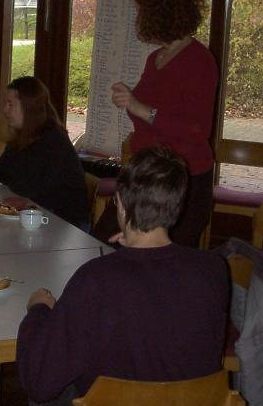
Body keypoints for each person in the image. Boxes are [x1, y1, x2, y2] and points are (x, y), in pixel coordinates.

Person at [17, 146, 229, 405]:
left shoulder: (96, 279)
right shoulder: (213, 269)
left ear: (121, 204)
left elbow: (39, 383)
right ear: (178, 204)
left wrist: (38, 311)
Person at [110, 0, 218, 247]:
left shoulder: (199, 61)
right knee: (106, 245)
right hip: (147, 176)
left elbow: (196, 129)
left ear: (161, 14)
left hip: (182, 182)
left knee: (158, 259)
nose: (139, 19)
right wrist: (129, 100)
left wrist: (140, 108)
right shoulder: (155, 58)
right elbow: (145, 114)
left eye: (143, 12)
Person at [0, 76, 89, 230]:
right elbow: (3, 169)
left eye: (10, 104)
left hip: (65, 224)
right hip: (40, 214)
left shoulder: (52, 139)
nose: (5, 110)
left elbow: (26, 187)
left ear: (27, 107)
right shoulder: (25, 134)